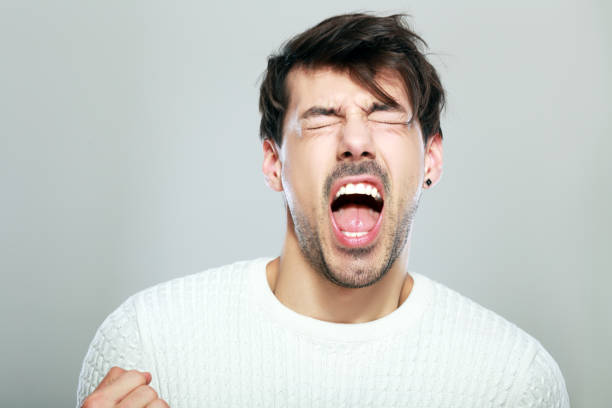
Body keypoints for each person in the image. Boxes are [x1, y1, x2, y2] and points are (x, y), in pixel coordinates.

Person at [76, 13, 570, 408]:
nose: (355, 141)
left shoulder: (513, 381)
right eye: (321, 120)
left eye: (385, 115)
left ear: (432, 159)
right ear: (274, 164)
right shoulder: (149, 347)